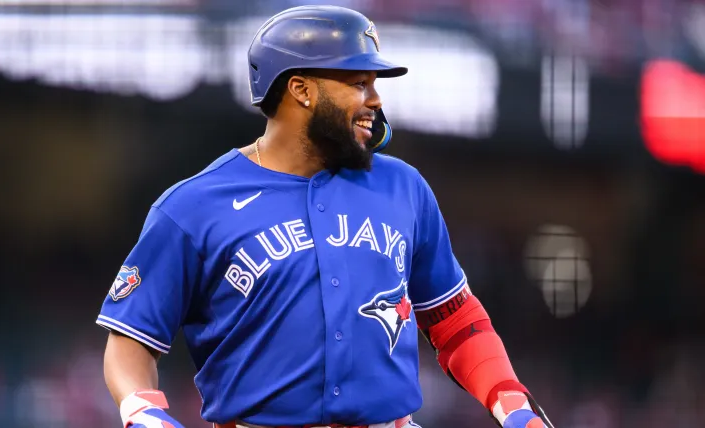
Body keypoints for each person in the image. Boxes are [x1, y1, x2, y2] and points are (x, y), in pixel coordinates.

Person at [96, 5, 554, 428]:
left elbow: (455, 319)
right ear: (302, 90)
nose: (375, 100)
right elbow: (130, 341)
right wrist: (143, 413)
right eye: (359, 83)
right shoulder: (193, 206)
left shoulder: (403, 187)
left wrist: (510, 401)